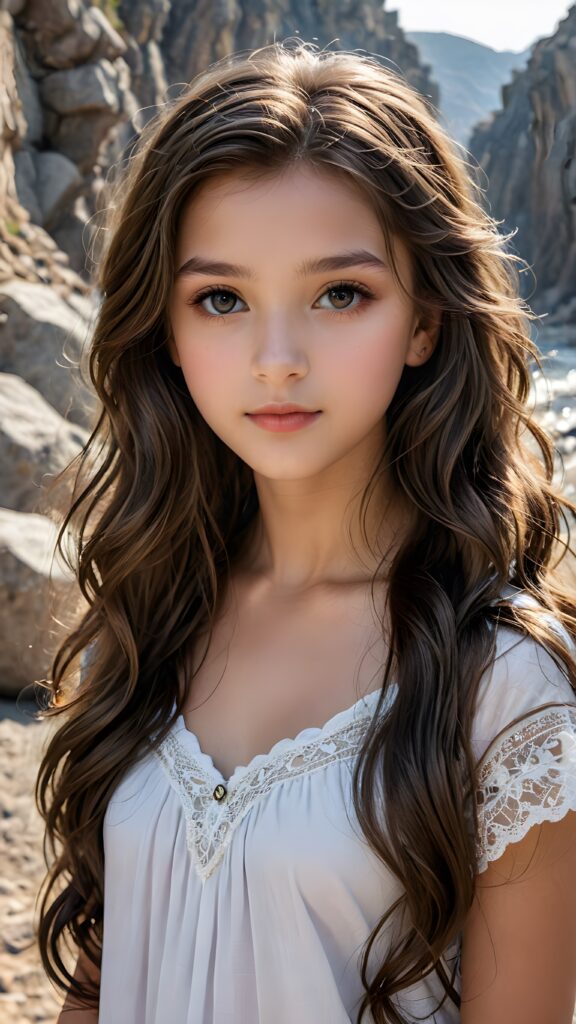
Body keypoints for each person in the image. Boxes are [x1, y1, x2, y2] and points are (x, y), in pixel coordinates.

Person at [34, 39, 576, 1024]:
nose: (275, 359)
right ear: (167, 327)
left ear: (425, 321)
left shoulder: (503, 690)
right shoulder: (157, 606)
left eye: (340, 294)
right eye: (223, 299)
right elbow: (102, 983)